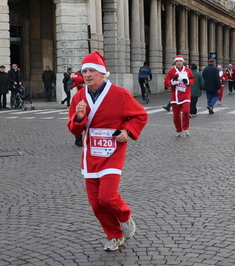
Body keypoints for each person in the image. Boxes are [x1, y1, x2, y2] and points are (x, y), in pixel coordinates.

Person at [67, 51, 148, 252]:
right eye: (84, 71)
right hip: (90, 155)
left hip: (112, 152)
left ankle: (125, 216)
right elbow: (74, 129)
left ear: (102, 73)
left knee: (107, 197)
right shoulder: (79, 97)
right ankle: (114, 235)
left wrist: (127, 131)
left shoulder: (120, 94)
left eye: (92, 70)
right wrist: (79, 117)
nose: (87, 74)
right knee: (96, 204)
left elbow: (140, 115)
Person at [163, 55, 195, 137]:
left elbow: (192, 80)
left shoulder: (187, 70)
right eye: (177, 61)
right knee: (176, 115)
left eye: (180, 61)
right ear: (175, 62)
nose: (179, 63)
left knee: (186, 111)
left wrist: (187, 81)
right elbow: (166, 83)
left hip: (186, 94)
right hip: (175, 96)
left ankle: (186, 128)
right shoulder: (171, 71)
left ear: (183, 62)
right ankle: (178, 129)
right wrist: (173, 82)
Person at [67, 69, 86, 147]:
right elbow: (74, 79)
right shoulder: (79, 74)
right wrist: (70, 85)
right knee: (77, 119)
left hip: (95, 99)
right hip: (82, 100)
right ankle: (78, 138)